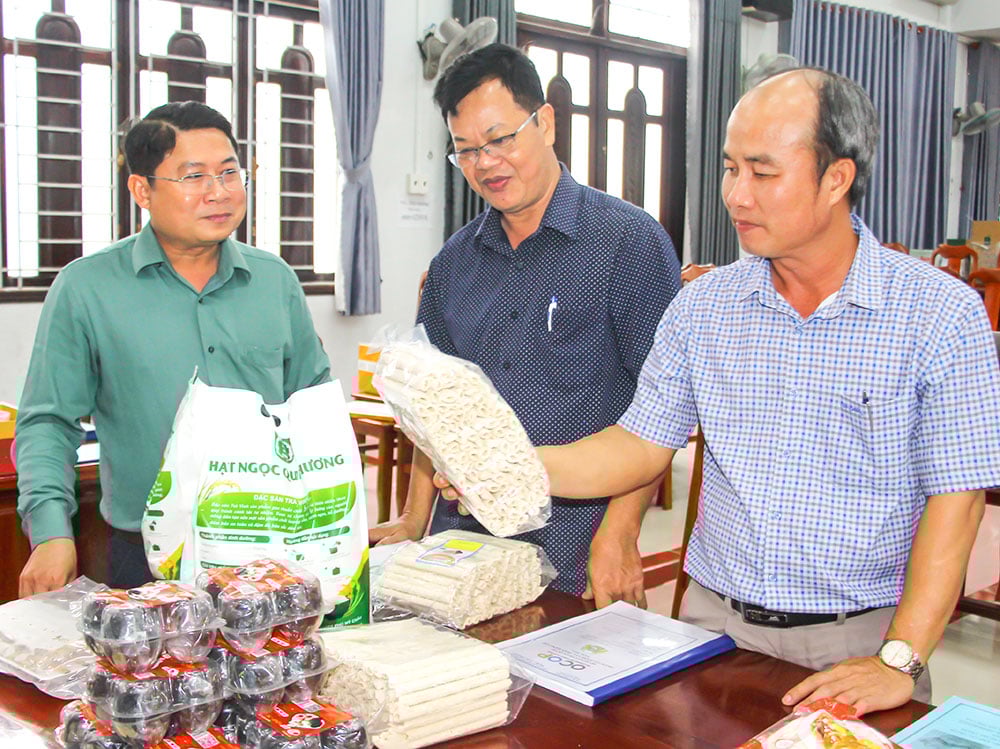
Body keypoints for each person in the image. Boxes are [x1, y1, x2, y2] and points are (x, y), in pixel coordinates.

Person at [451, 67, 1000, 712]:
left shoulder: (940, 315)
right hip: (713, 626)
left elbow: (955, 502)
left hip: (856, 641)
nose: (737, 195)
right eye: (730, 168)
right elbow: (637, 444)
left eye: (762, 173)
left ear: (836, 178)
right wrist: (509, 468)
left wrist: (898, 658)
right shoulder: (705, 307)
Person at [370, 43, 681, 604]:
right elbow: (431, 407)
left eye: (500, 138)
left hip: (575, 542)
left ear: (546, 123)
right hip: (461, 542)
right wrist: (415, 519)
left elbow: (656, 410)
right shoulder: (453, 264)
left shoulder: (628, 243)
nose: (485, 163)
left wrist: (621, 532)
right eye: (465, 151)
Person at [17, 102, 330, 596]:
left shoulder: (276, 282)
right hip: (148, 555)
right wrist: (51, 531)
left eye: (230, 172)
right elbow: (48, 420)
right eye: (194, 177)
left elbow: (315, 408)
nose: (219, 192)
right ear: (143, 189)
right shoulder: (87, 288)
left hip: (273, 548)